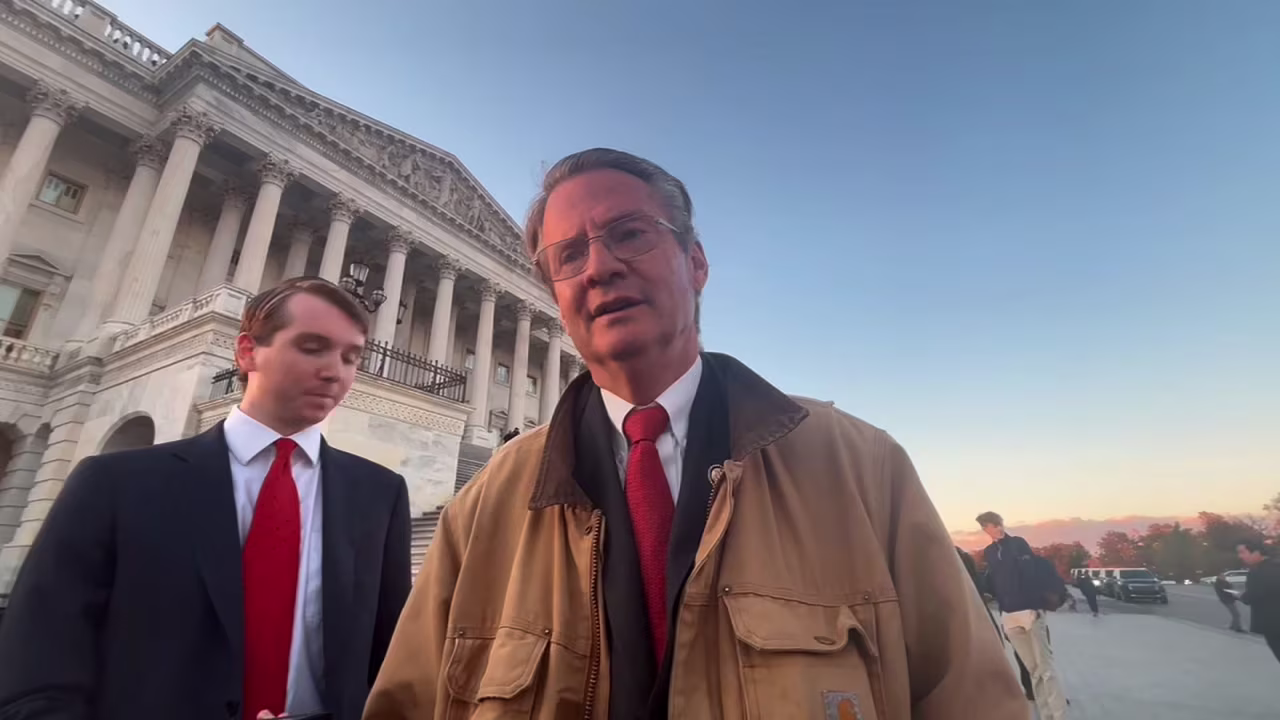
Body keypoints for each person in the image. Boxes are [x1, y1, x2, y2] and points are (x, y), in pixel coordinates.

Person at [365, 148, 1026, 719]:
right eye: (569, 256)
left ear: (697, 263)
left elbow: (972, 698)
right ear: (556, 298)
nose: (599, 267)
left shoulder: (862, 470)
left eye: (629, 234)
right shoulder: (484, 508)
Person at [0, 277, 412, 720]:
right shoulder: (115, 484)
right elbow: (36, 667)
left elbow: (393, 659)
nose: (335, 371)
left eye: (351, 357)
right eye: (312, 348)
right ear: (247, 351)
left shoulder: (379, 495)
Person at [978, 511, 1070, 720]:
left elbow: (1031, 574)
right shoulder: (989, 552)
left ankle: (1059, 715)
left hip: (1030, 612)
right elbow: (995, 581)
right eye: (993, 525)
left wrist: (1036, 606)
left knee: (1046, 668)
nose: (998, 528)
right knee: (1033, 670)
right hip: (1009, 616)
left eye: (1000, 523)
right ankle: (1045, 715)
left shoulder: (1018, 544)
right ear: (985, 529)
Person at [1237, 540, 1280, 662]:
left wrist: (1241, 596)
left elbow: (1251, 597)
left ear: (1257, 552)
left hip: (1272, 625)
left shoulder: (1256, 572)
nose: (1240, 556)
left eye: (1242, 552)